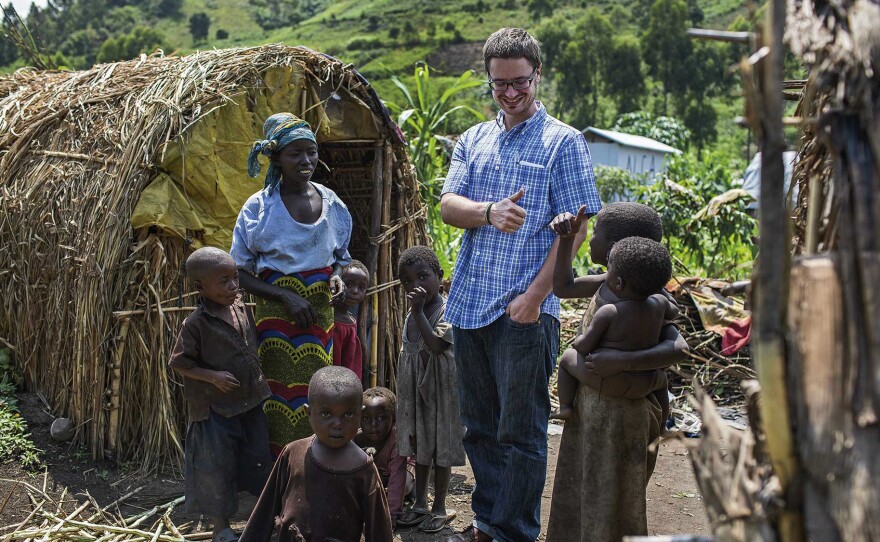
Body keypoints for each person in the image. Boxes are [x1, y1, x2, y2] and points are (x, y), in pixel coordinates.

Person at [439, 27, 601, 542]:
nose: (510, 93)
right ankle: (489, 520)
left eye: (519, 83)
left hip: (524, 309)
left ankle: (514, 532)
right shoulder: (473, 139)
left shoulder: (563, 142)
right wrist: (489, 212)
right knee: (479, 427)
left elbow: (575, 227)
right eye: (499, 84)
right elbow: (448, 206)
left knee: (521, 431)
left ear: (537, 76)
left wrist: (535, 297)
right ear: (488, 81)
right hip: (468, 304)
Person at [546, 202, 690, 542]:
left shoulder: (652, 300)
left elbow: (676, 347)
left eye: (594, 234)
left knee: (614, 495)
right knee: (581, 484)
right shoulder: (608, 283)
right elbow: (563, 287)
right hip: (591, 406)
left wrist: (621, 362)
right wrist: (566, 241)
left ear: (616, 250)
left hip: (624, 412)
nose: (590, 239)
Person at [231, 113, 352, 454]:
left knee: (319, 389)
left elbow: (341, 259)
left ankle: (314, 462)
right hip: (276, 319)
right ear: (277, 158)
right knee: (278, 393)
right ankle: (279, 472)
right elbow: (239, 271)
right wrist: (284, 295)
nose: (306, 161)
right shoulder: (260, 208)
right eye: (295, 153)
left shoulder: (332, 204)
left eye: (311, 152)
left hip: (319, 316)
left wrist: (339, 279)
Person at [169, 247, 272, 542]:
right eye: (223, 281)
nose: (233, 286)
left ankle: (257, 517)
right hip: (217, 410)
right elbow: (178, 362)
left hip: (250, 401)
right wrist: (213, 377)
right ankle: (220, 527)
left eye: (235, 278)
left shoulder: (240, 306)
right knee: (217, 467)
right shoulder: (195, 324)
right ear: (201, 287)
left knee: (256, 458)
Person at [238, 366, 394, 542]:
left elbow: (379, 529)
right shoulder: (293, 453)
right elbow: (264, 512)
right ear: (309, 413)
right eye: (326, 414)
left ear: (360, 415)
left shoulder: (364, 469)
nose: (337, 424)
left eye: (348, 414)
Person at [550, 235, 677, 420]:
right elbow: (674, 312)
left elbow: (585, 346)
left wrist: (578, 342)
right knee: (663, 381)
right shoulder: (660, 303)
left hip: (613, 382)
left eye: (608, 269)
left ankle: (565, 407)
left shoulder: (609, 311)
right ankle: (664, 422)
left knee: (567, 359)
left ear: (618, 283)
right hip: (647, 382)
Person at [394, 246, 465, 535]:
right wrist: (417, 312)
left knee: (441, 449)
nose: (416, 285)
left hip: (442, 394)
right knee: (421, 447)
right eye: (408, 281)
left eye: (423, 276)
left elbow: (436, 346)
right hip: (415, 394)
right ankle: (420, 503)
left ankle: (439, 507)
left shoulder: (448, 309)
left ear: (440, 275)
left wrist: (419, 312)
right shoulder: (412, 315)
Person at [354, 386, 416, 526]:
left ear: (393, 418)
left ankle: (408, 492)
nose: (373, 425)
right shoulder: (355, 439)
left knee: (404, 486)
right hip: (379, 474)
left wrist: (390, 516)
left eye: (381, 418)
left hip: (401, 470)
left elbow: (398, 478)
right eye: (366, 418)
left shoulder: (396, 441)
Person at [331, 259, 368, 380]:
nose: (355, 291)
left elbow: (351, 365)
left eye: (361, 287)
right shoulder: (327, 318)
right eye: (349, 284)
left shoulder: (351, 323)